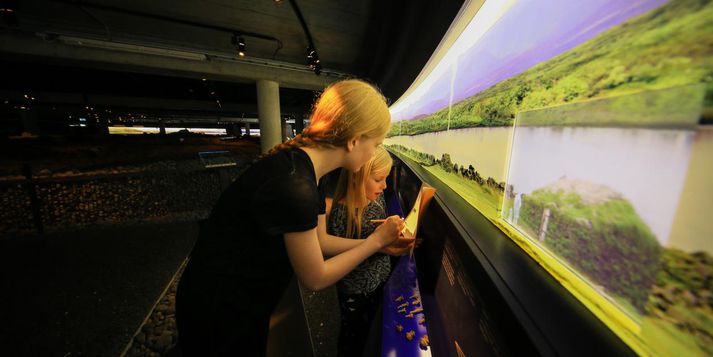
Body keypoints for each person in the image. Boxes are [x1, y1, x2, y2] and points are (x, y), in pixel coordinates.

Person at [175, 79, 415, 356]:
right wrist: (374, 243)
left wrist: (380, 243)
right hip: (221, 311)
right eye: (375, 143)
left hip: (226, 299)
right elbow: (316, 277)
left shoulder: (300, 168)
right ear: (354, 140)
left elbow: (320, 243)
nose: (374, 152)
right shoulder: (296, 187)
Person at [327, 146, 395, 357]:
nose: (384, 186)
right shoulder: (343, 213)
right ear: (357, 176)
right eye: (378, 179)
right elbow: (351, 255)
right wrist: (387, 246)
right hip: (356, 292)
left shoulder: (375, 197)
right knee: (354, 337)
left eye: (386, 179)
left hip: (376, 283)